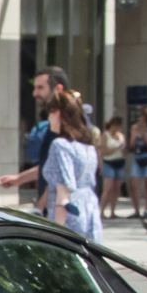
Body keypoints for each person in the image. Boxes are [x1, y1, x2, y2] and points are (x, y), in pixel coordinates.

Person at [42, 91, 104, 242]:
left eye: (49, 113)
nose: (48, 119)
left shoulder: (60, 146)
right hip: (90, 214)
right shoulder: (87, 146)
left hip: (70, 221)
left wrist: (55, 236)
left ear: (57, 114)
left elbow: (63, 195)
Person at [97, 111, 130, 221]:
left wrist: (124, 149)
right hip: (109, 163)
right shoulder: (105, 135)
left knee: (116, 189)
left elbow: (123, 150)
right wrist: (117, 148)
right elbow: (104, 151)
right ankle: (101, 211)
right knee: (108, 188)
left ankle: (112, 211)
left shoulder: (121, 136)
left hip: (119, 162)